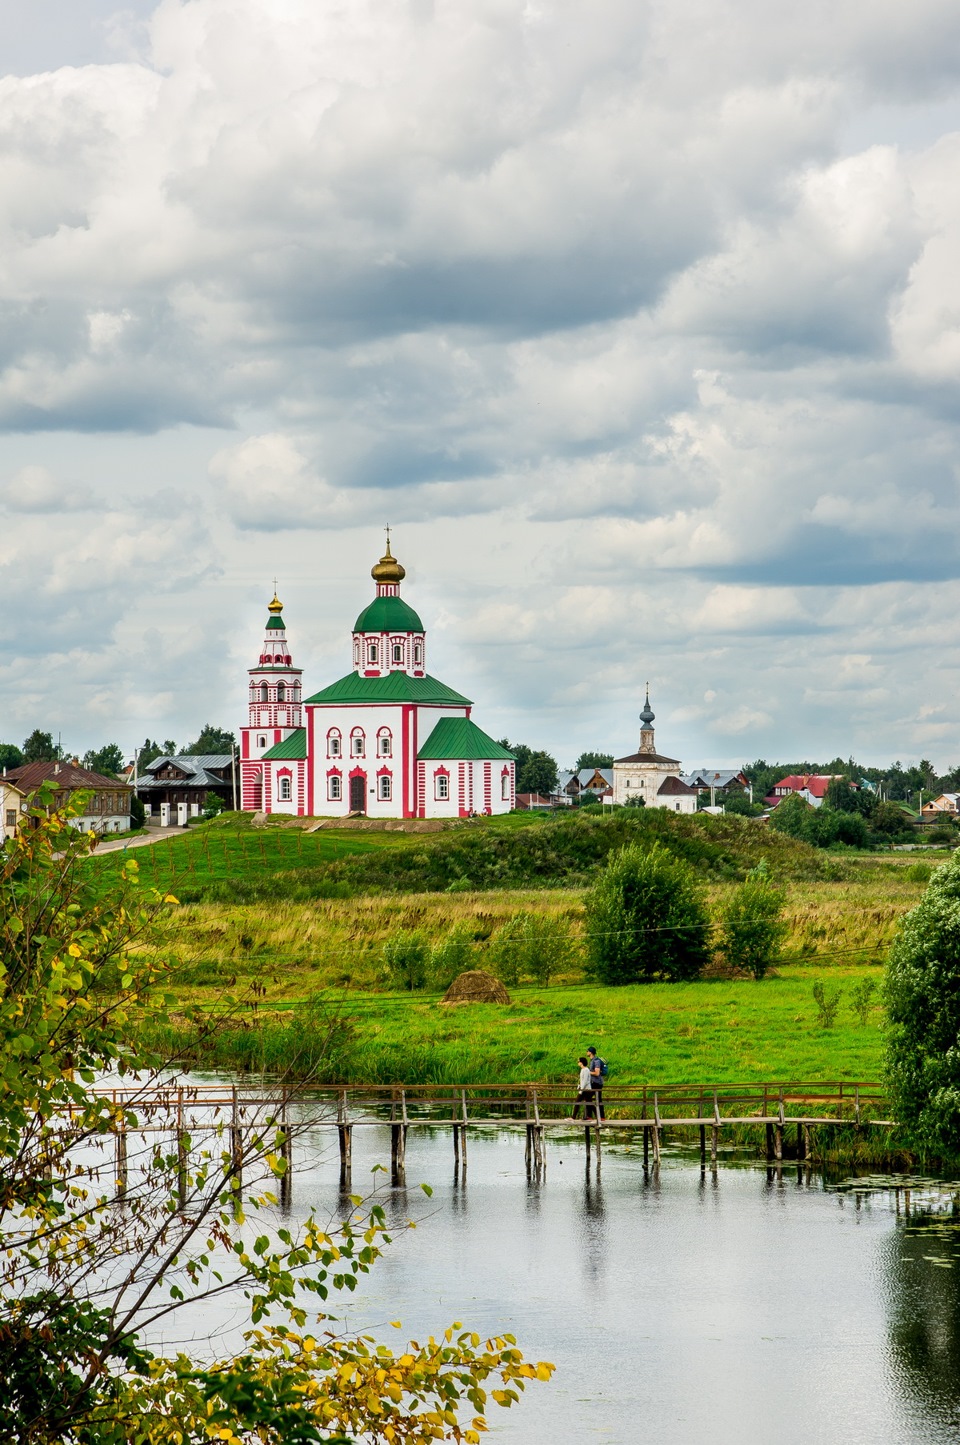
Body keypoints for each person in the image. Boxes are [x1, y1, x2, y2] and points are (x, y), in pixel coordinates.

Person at [587, 1045, 606, 1120]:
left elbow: (597, 1073)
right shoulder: (591, 1060)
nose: (587, 1052)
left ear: (591, 1052)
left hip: (597, 1083)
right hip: (593, 1082)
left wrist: (588, 1072)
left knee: (597, 1099)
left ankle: (600, 1116)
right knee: (589, 1098)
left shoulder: (596, 1061)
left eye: (587, 1051)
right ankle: (592, 1116)